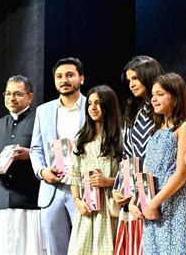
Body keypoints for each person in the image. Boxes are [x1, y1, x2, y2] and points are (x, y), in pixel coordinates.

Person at [132, 72, 186, 254]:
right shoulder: (156, 131)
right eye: (153, 95)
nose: (153, 99)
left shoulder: (184, 128)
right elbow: (146, 171)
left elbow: (182, 173)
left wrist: (154, 202)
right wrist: (136, 201)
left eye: (160, 94)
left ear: (175, 96)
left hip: (174, 203)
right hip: (152, 204)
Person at [30, 57, 87, 255]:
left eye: (70, 75)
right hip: (51, 188)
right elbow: (35, 148)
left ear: (81, 78)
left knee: (84, 248)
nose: (64, 80)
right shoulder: (43, 111)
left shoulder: (93, 107)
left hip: (83, 189)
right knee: (55, 250)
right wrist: (42, 171)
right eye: (59, 76)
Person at [0, 75, 44, 255]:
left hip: (30, 203)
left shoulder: (40, 121)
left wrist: (30, 155)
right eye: (8, 94)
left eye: (18, 94)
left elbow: (50, 156)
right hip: (1, 204)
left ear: (30, 97)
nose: (12, 98)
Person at [113, 56, 165, 255]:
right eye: (129, 81)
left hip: (159, 188)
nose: (132, 84)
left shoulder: (163, 107)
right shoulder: (132, 112)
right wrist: (121, 188)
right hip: (135, 192)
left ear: (148, 75)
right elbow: (127, 154)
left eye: (135, 78)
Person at [63, 85, 121, 255]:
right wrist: (77, 201)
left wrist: (107, 181)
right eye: (89, 103)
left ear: (108, 106)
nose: (93, 108)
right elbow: (73, 174)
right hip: (87, 208)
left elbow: (127, 175)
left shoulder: (119, 138)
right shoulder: (81, 139)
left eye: (98, 103)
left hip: (110, 207)